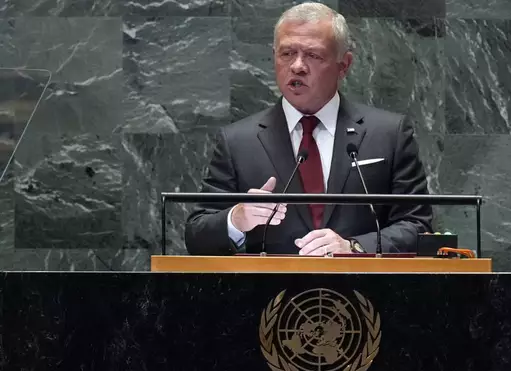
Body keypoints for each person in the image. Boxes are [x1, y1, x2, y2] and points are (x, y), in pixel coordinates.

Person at [185, 2, 432, 256]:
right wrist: (236, 219)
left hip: (365, 292)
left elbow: (418, 226)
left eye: (313, 55)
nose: (297, 66)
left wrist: (355, 247)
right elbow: (196, 235)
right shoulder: (237, 142)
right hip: (266, 293)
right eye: (287, 53)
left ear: (344, 65)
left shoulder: (389, 133)